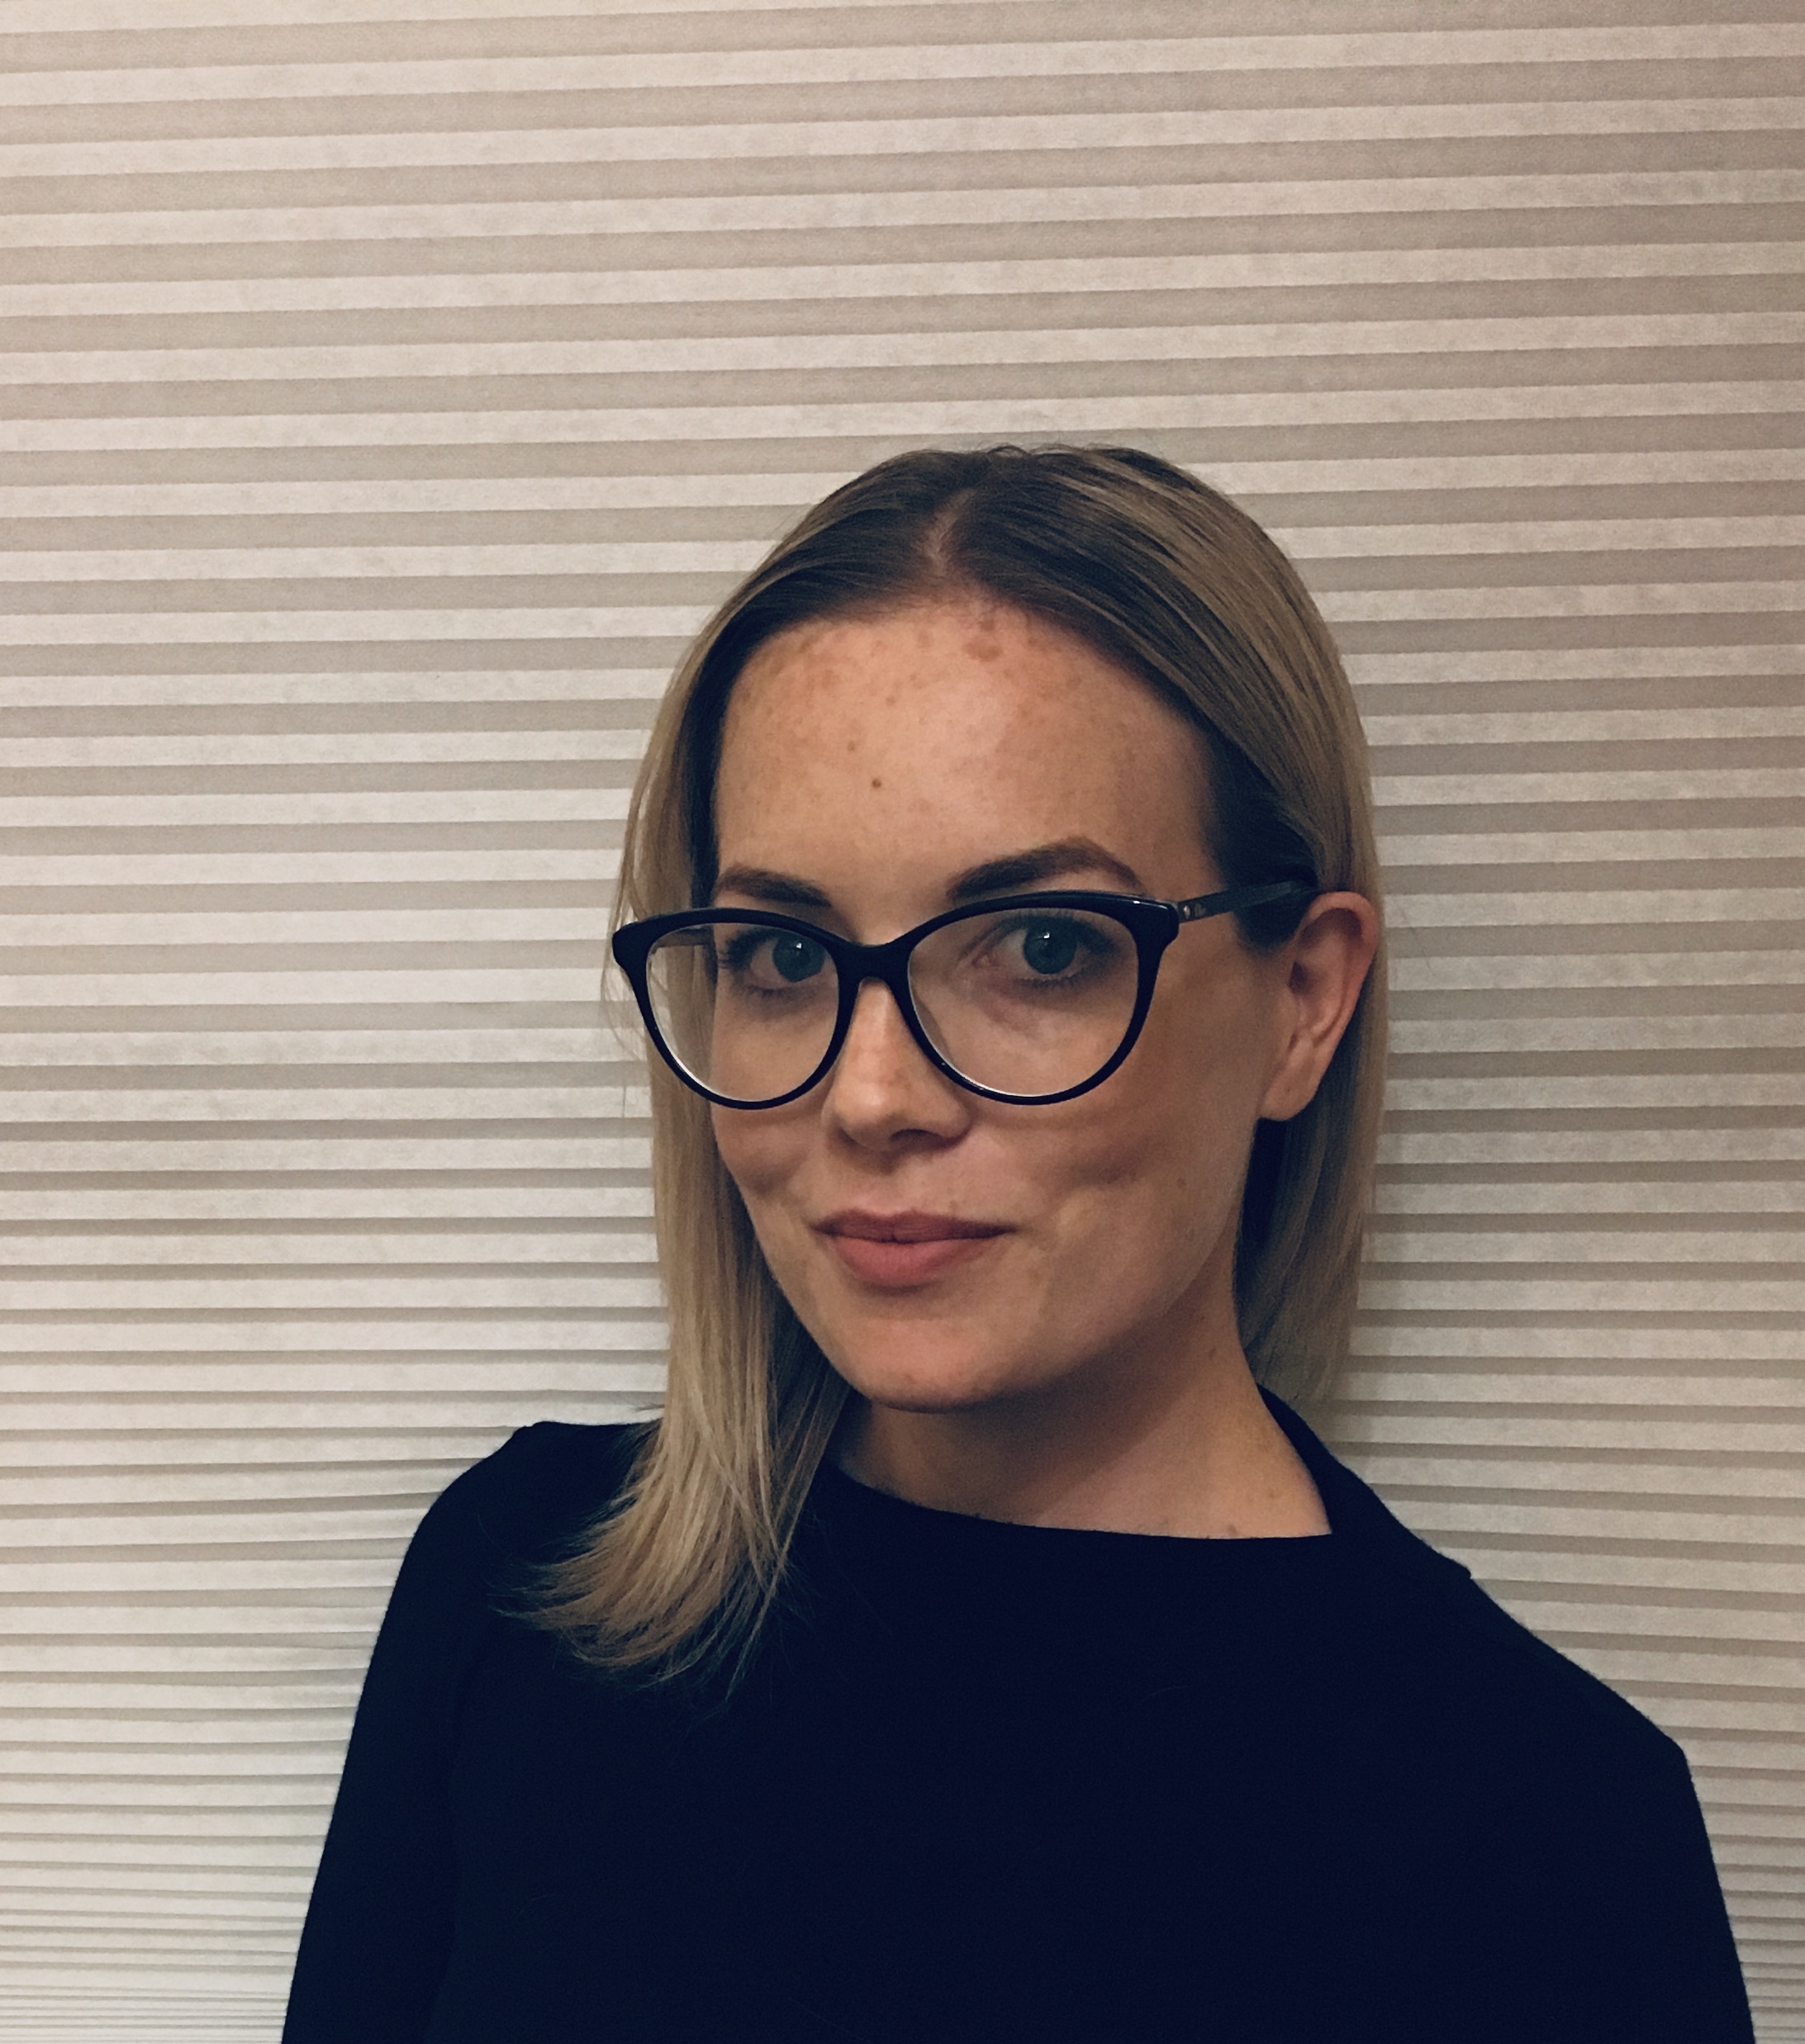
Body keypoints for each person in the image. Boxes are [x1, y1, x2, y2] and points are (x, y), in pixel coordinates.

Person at [281, 446, 1752, 2042]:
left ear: (1300, 1001)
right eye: (781, 956)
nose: (870, 1095)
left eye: (1043, 948)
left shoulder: (1549, 1838)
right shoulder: (520, 1588)